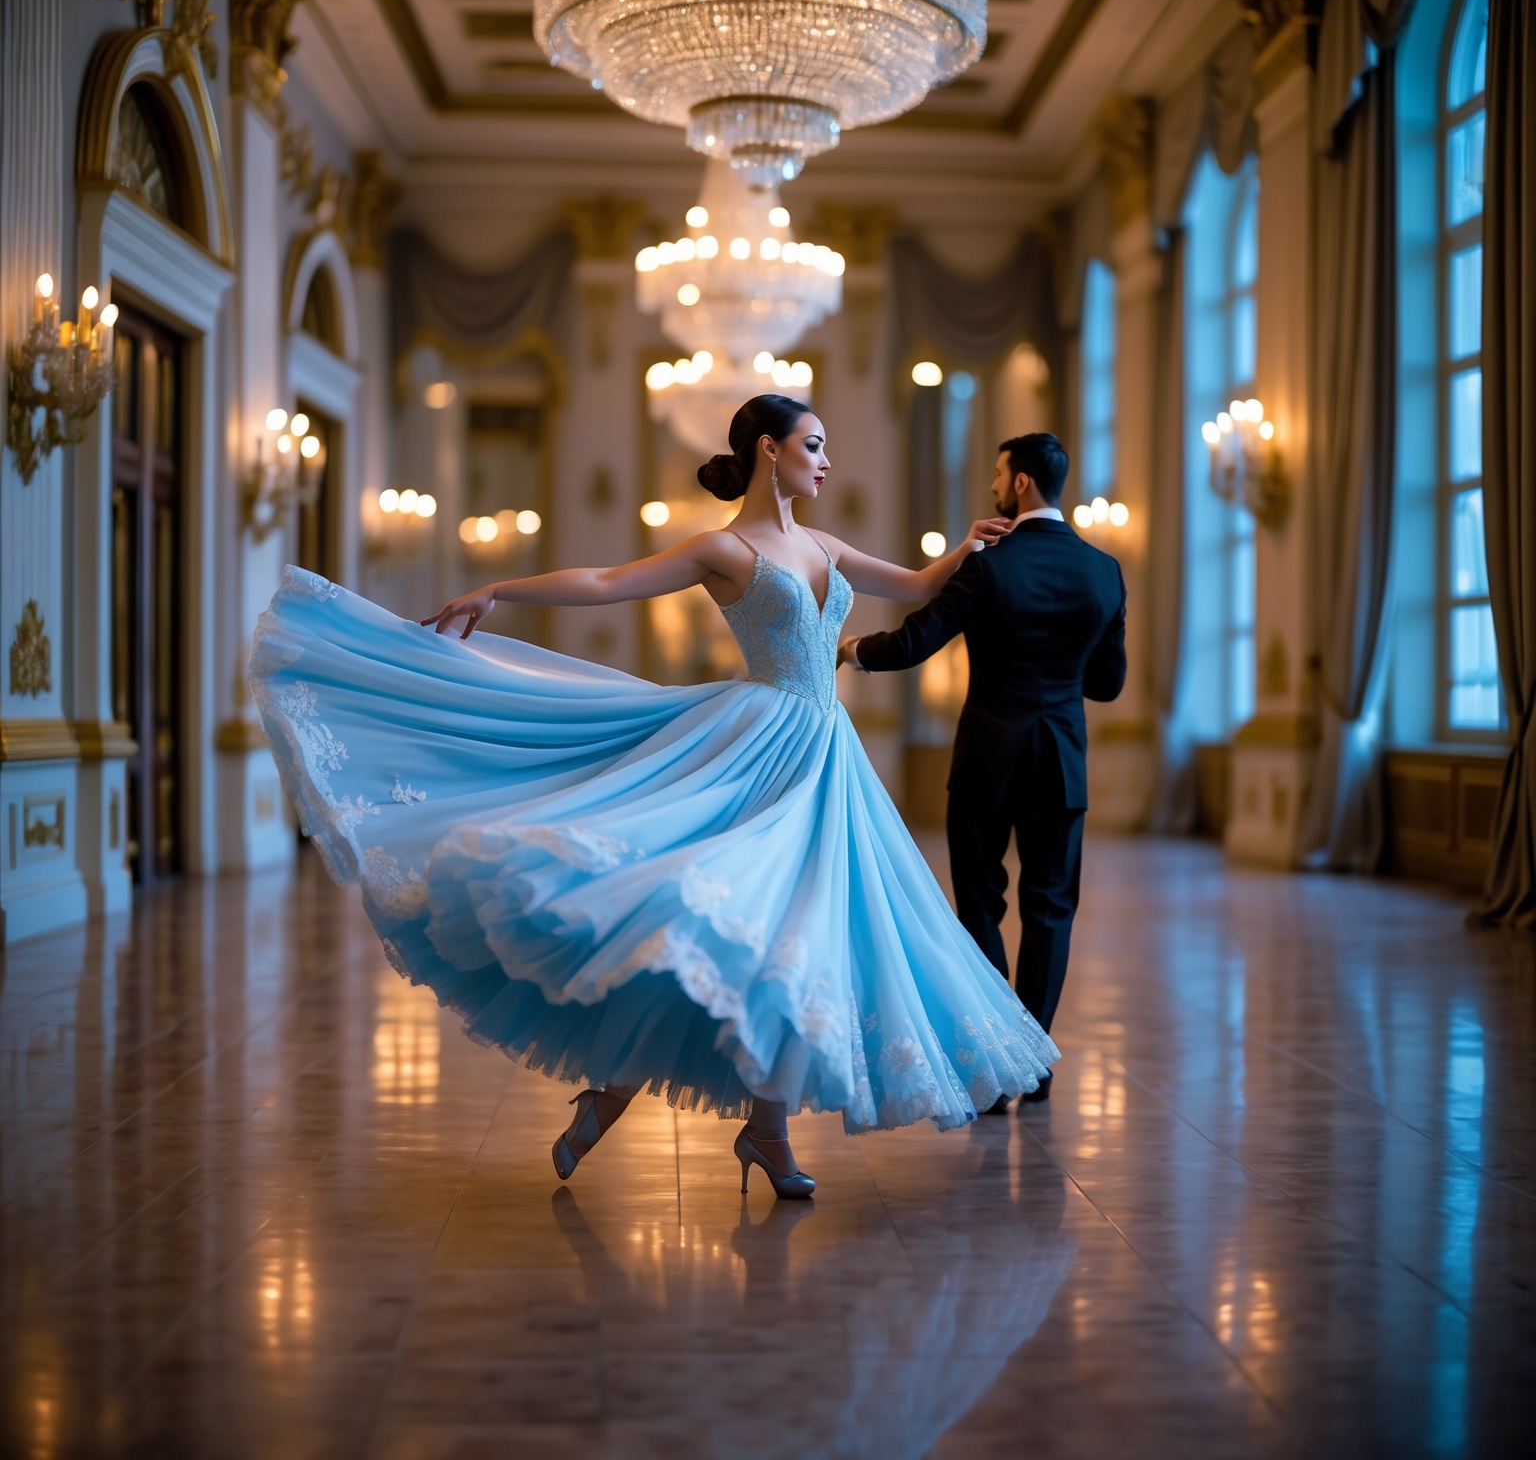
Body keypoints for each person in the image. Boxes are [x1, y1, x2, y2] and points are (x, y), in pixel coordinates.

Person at [248, 395, 1057, 1200]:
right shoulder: (726, 548)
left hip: (826, 756)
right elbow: (607, 582)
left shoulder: (824, 545)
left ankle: (759, 1130)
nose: (827, 460)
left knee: (792, 938)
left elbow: (916, 584)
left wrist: (967, 547)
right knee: (704, 924)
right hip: (757, 745)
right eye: (814, 444)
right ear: (770, 450)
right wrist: (500, 590)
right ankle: (620, 1095)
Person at [839, 433, 1126, 1110]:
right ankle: (1037, 1061)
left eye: (1000, 475)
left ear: (1022, 483)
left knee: (980, 904)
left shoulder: (988, 564)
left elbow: (915, 642)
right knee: (1051, 908)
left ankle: (1001, 1059)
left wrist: (848, 647)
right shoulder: (1105, 570)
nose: (995, 487)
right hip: (1060, 757)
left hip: (988, 757)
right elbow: (1108, 684)